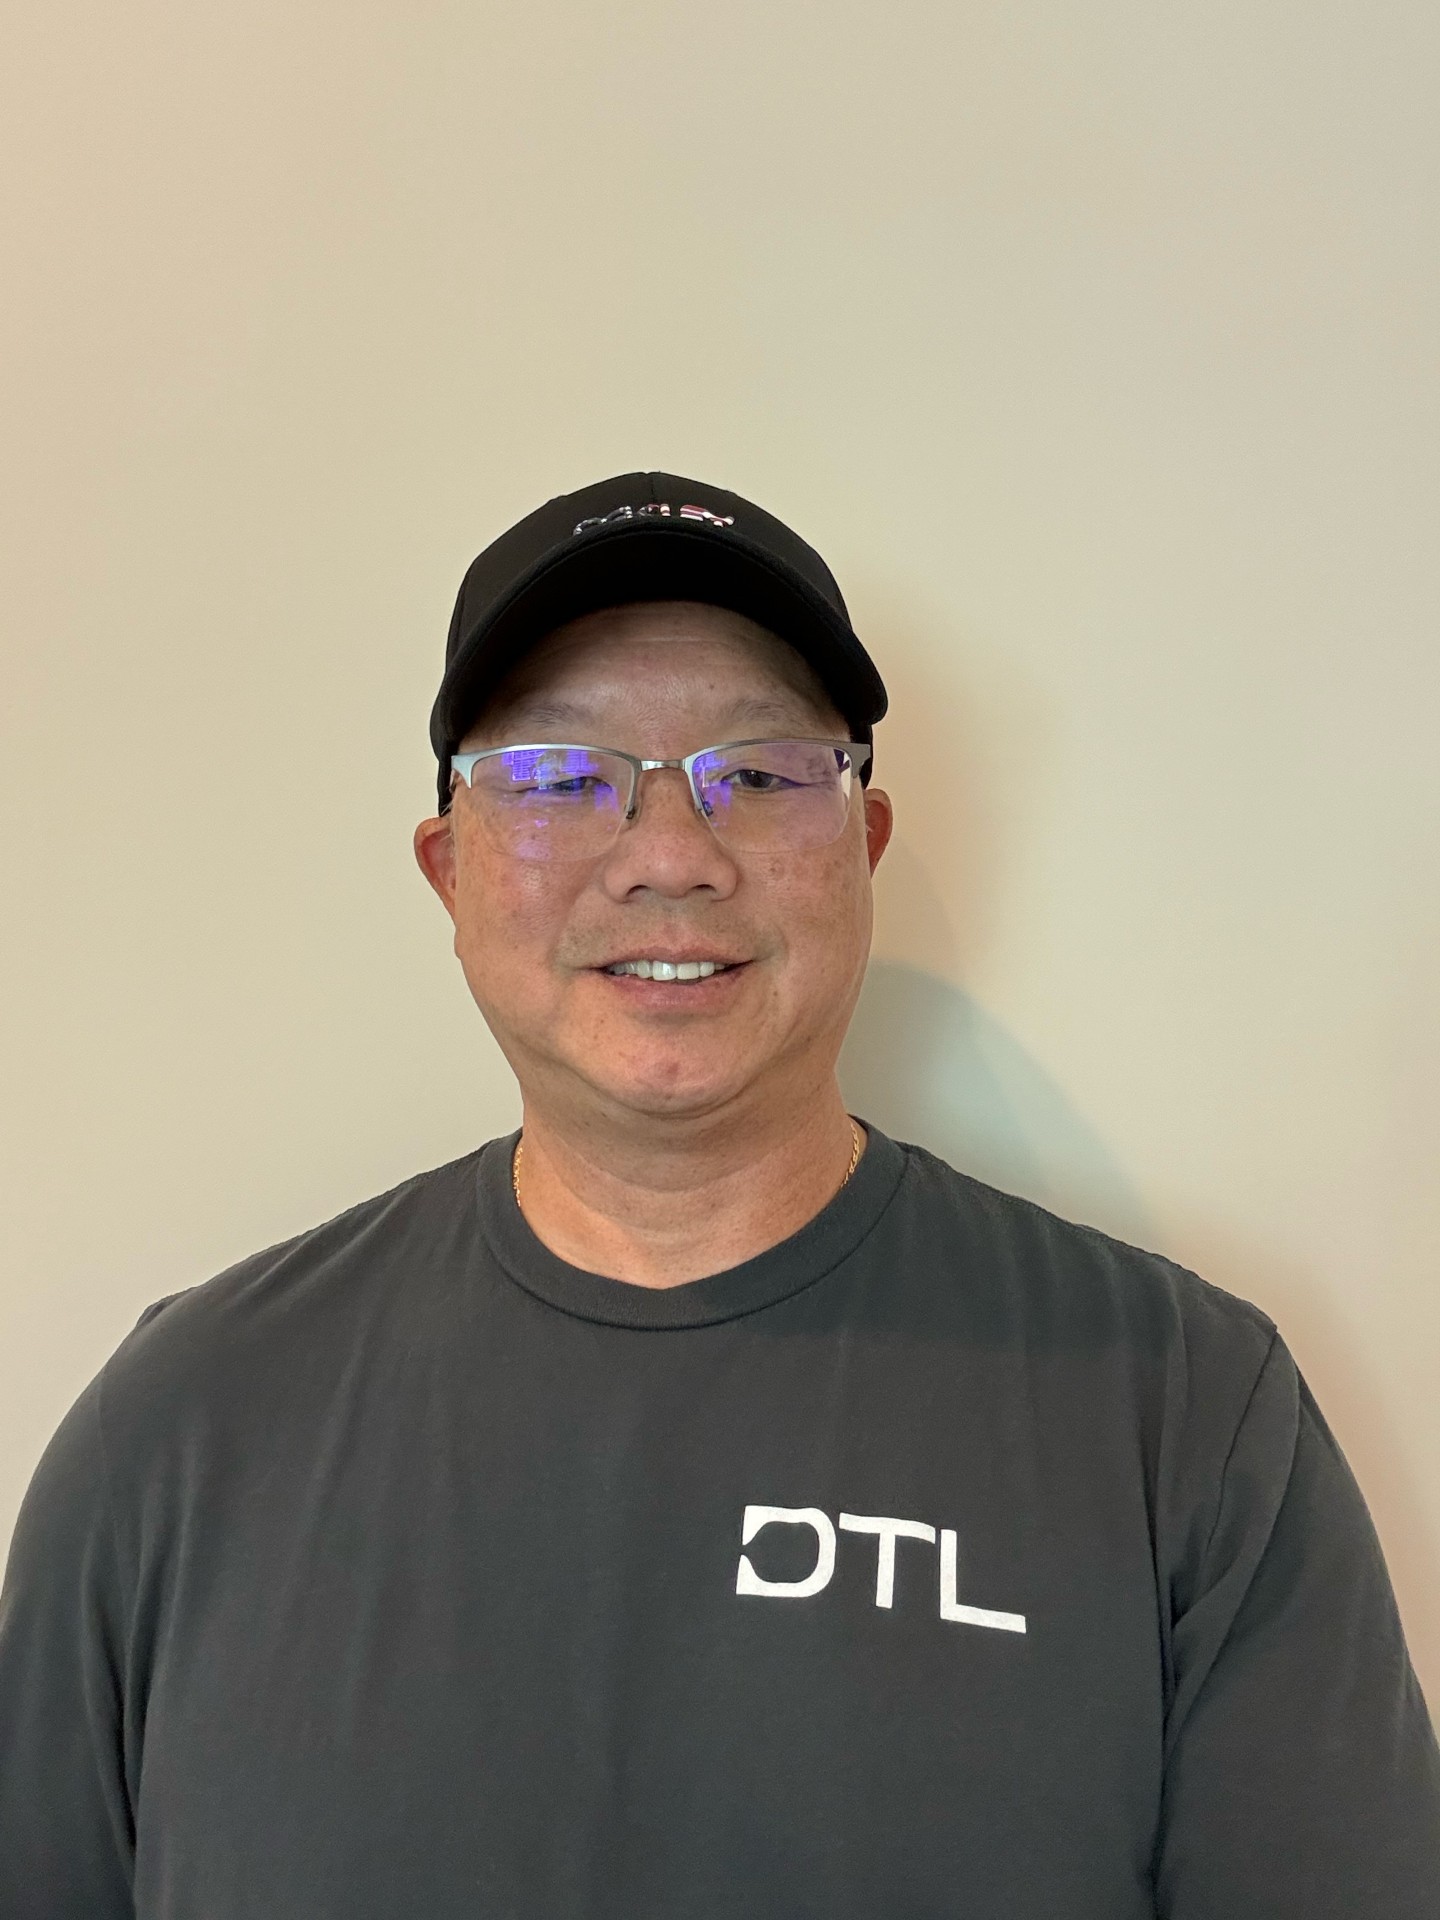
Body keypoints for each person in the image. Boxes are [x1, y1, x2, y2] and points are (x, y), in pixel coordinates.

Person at [1, 472, 1436, 1919]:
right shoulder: (183, 1429)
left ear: (865, 846)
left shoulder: (1181, 1415)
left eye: (759, 772)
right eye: (560, 777)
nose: (672, 857)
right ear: (450, 871)